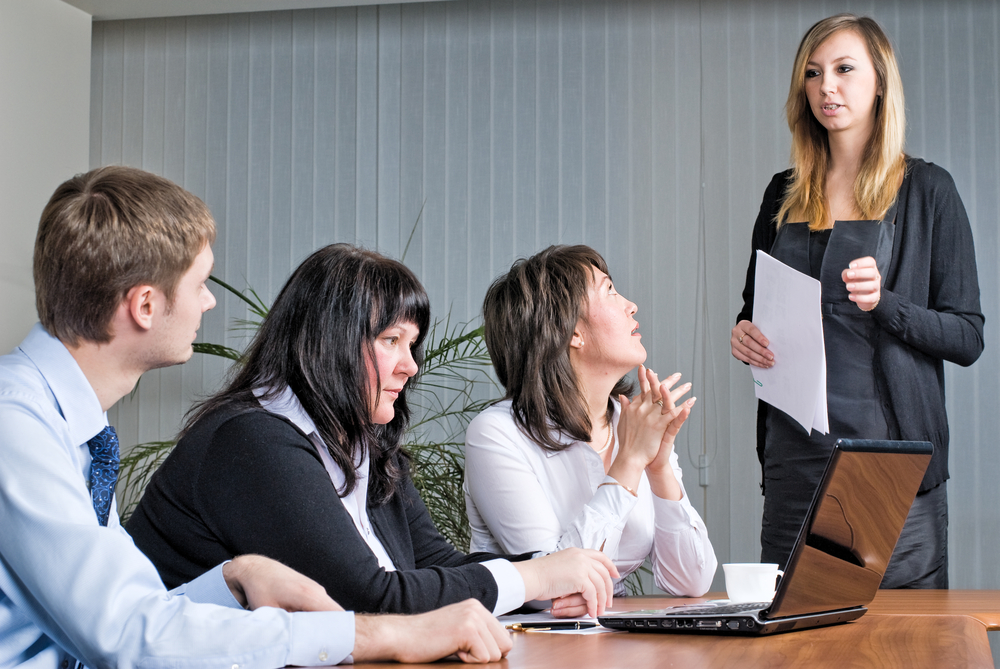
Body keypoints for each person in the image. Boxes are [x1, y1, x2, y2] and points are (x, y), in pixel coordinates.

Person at [0, 165, 516, 669]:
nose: (210, 301)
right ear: (145, 305)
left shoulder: (67, 423)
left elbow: (114, 618)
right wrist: (377, 634)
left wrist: (230, 580)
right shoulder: (15, 424)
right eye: (200, 282)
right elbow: (126, 636)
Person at [127, 243, 619, 618]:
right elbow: (367, 598)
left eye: (413, 344)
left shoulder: (365, 442)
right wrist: (536, 577)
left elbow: (434, 563)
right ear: (330, 344)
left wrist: (545, 588)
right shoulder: (253, 439)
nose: (411, 367)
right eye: (391, 340)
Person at [731, 15, 983, 588]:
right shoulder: (781, 192)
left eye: (845, 70)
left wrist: (886, 304)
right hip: (794, 460)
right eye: (814, 74)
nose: (827, 87)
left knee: (902, 645)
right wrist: (743, 332)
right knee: (796, 641)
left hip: (886, 469)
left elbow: (967, 336)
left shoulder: (927, 190)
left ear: (880, 83)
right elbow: (754, 306)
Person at [464, 245, 718, 608]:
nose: (630, 305)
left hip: (616, 637)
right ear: (572, 333)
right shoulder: (496, 434)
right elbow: (551, 589)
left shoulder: (630, 421)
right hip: (530, 647)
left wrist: (659, 467)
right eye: (610, 291)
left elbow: (691, 580)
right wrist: (628, 463)